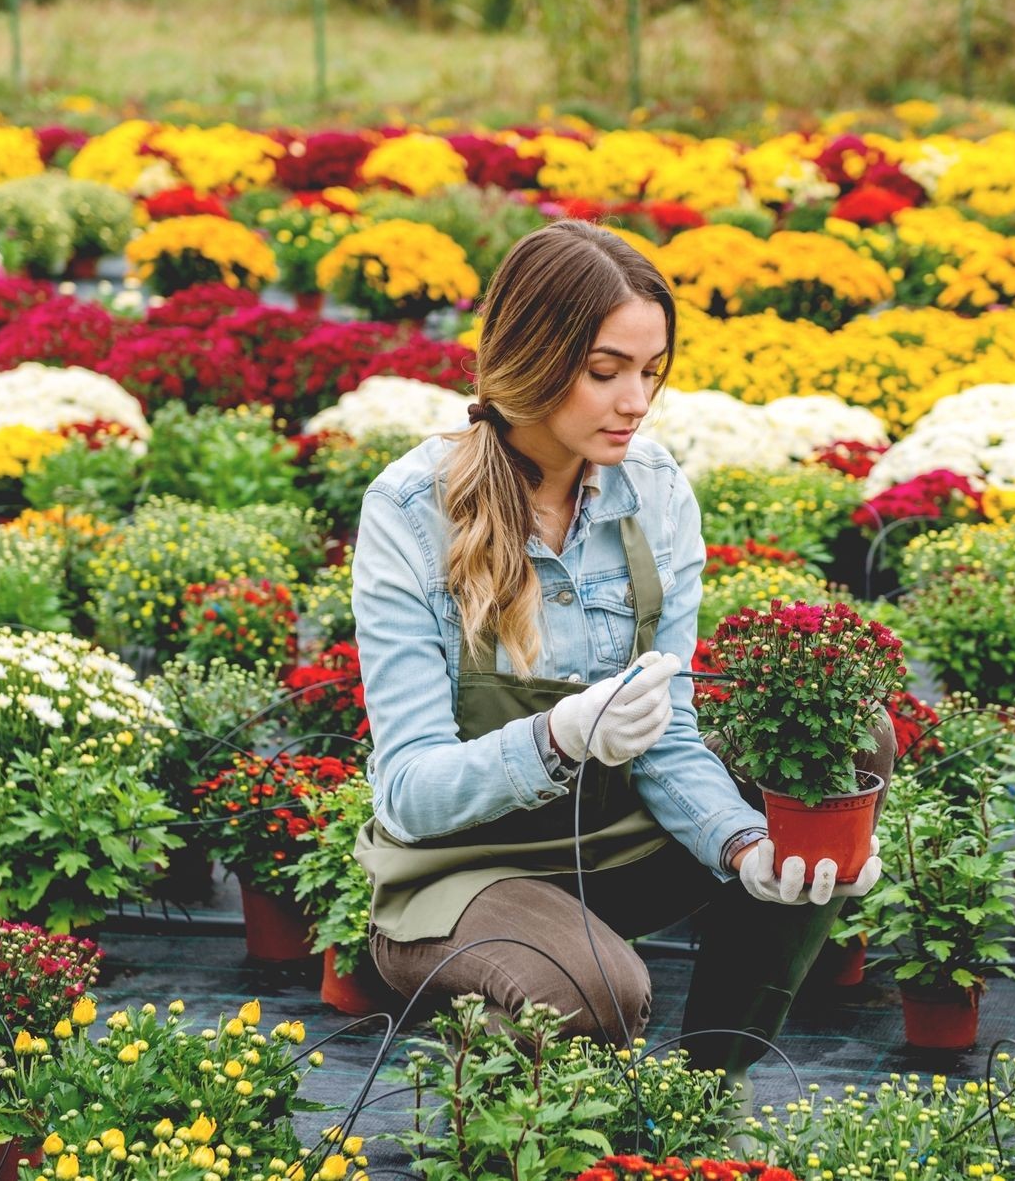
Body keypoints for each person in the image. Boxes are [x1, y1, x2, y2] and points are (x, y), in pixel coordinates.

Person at [349, 219, 891, 1098]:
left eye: (651, 372)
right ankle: (504, 1087)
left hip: (622, 847)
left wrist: (747, 843)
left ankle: (704, 1090)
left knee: (847, 742)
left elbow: (670, 732)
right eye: (605, 372)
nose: (635, 401)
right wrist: (557, 738)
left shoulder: (655, 489)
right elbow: (409, 794)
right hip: (465, 871)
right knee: (593, 991)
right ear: (531, 357)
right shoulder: (414, 511)